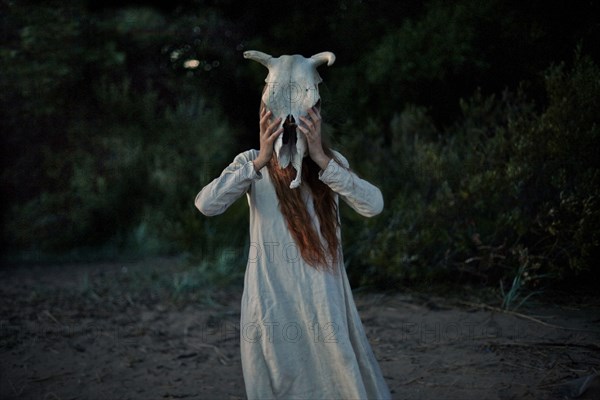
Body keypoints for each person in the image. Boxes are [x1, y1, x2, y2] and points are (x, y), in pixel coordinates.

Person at [195, 99, 392, 399]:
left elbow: (373, 204)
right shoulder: (251, 162)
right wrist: (260, 160)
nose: (289, 127)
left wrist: (321, 158)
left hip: (321, 295)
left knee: (336, 370)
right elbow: (207, 204)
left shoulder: (330, 161)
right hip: (272, 295)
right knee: (278, 373)